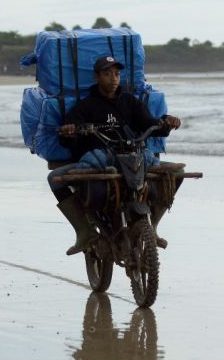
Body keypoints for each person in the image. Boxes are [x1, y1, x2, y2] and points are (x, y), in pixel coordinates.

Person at [47, 55, 182, 255]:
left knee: (178, 172)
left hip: (134, 159)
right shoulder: (86, 106)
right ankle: (84, 231)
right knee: (54, 179)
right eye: (107, 73)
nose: (113, 78)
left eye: (117, 74)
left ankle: (153, 225)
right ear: (97, 77)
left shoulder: (130, 102)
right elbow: (67, 139)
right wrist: (69, 131)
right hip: (98, 163)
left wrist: (167, 122)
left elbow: (150, 125)